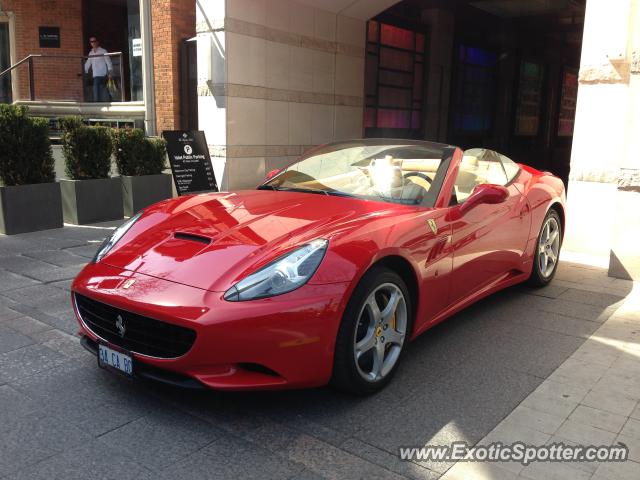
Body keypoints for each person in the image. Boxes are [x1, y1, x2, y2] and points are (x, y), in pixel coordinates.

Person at [84, 36, 113, 102]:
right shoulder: (91, 53)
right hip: (95, 76)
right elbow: (88, 63)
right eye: (91, 42)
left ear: (97, 42)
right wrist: (83, 71)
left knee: (96, 91)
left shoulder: (103, 51)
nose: (93, 43)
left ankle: (97, 105)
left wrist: (110, 72)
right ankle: (100, 104)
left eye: (94, 41)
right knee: (100, 91)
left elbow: (108, 62)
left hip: (102, 74)